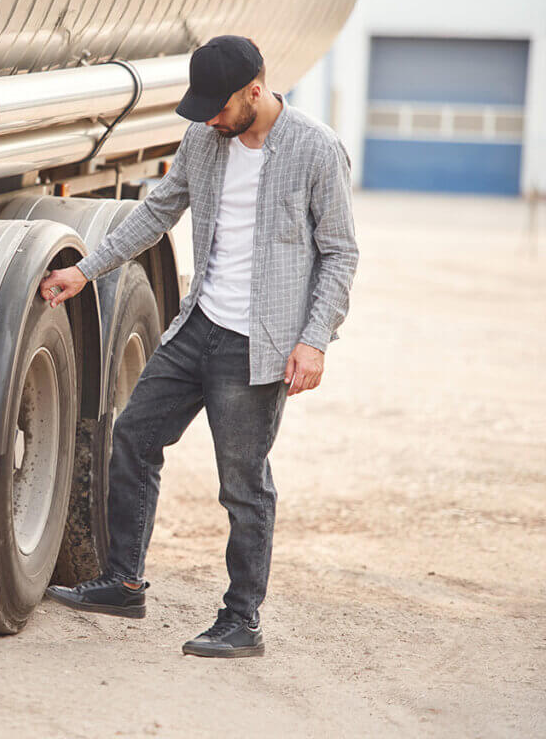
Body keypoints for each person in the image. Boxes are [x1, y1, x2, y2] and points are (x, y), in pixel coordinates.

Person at [39, 35, 359, 658]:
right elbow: (156, 211)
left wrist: (314, 341)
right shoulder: (203, 141)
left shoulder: (316, 150)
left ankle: (242, 621)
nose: (210, 117)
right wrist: (87, 269)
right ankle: (123, 581)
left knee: (242, 483)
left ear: (255, 91)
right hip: (199, 327)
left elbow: (341, 255)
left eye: (220, 105)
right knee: (133, 436)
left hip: (257, 346)